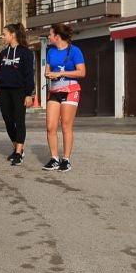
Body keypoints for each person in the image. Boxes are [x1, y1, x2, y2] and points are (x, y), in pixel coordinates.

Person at [42, 23, 86, 172]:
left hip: (71, 89)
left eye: (50, 34)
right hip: (54, 90)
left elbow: (81, 72)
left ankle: (66, 160)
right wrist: (48, 74)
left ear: (57, 36)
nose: (48, 36)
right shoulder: (50, 51)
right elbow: (47, 70)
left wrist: (61, 73)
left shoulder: (75, 51)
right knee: (50, 127)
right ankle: (54, 158)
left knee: (66, 125)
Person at [0, 24, 36, 165]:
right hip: (4, 91)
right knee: (8, 120)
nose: (2, 37)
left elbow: (29, 75)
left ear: (13, 34)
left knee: (19, 120)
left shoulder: (26, 53)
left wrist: (28, 94)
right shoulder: (2, 54)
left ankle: (18, 152)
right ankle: (15, 146)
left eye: (4, 34)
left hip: (20, 91)